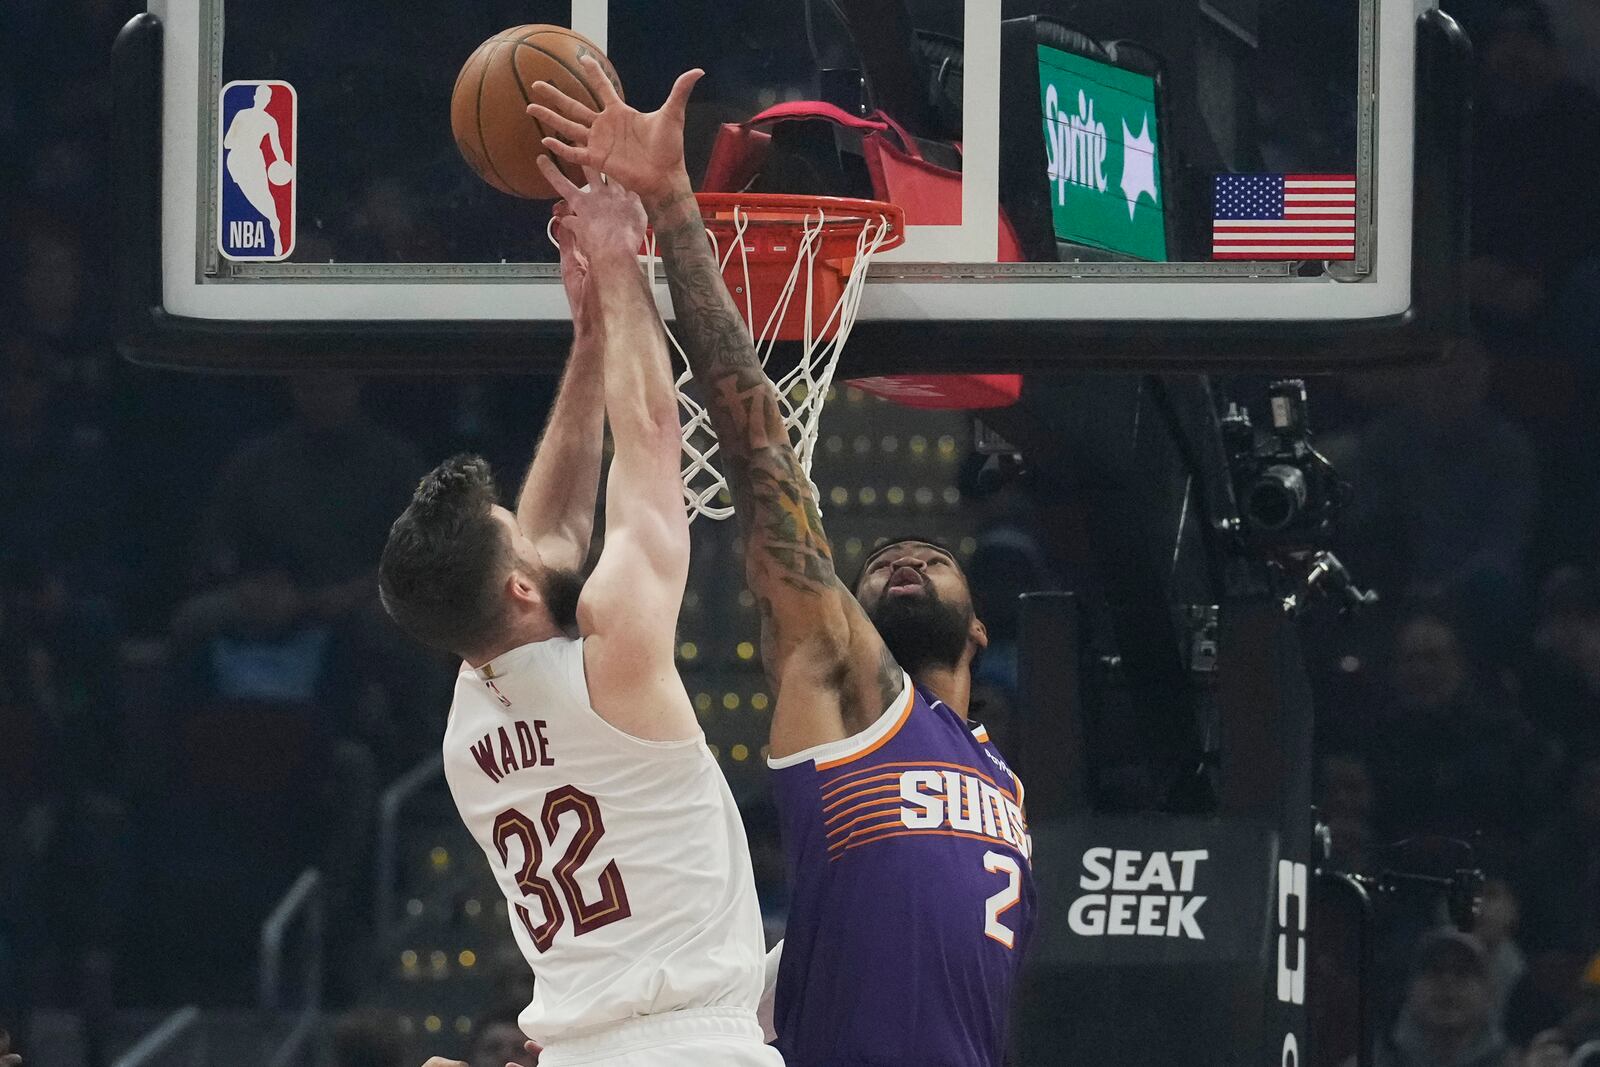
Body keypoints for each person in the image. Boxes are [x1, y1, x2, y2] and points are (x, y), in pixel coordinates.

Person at [529, 61, 1036, 1066]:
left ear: (979, 628)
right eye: (881, 560)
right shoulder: (845, 681)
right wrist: (674, 211)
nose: (901, 557)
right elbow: (763, 459)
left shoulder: (1002, 779)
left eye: (928, 554)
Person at [380, 186, 778, 1066]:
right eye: (509, 530)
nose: (528, 522)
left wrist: (592, 339)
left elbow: (550, 534)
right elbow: (650, 435)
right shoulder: (615, 662)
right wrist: (620, 259)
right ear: (519, 586)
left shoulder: (466, 724)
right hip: (691, 1045)